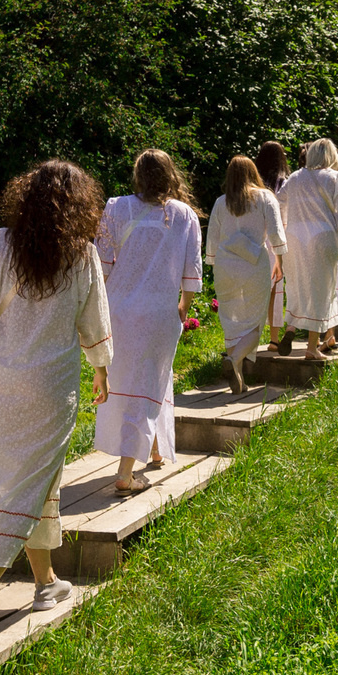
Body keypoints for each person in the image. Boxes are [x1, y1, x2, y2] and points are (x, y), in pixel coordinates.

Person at [0, 161, 112, 644]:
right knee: (34, 477)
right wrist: (102, 366)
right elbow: (94, 319)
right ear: (80, 205)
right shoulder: (81, 255)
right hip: (52, 385)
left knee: (24, 475)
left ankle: (46, 583)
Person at [94, 150, 203, 493]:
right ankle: (126, 472)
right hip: (159, 313)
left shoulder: (116, 207)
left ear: (138, 175)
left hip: (117, 310)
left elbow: (102, 264)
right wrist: (183, 308)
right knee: (148, 381)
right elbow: (192, 273)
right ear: (170, 174)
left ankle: (154, 448)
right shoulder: (183, 214)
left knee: (138, 381)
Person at [205, 156, 286, 390]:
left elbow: (212, 239)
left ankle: (238, 378)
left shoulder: (221, 202)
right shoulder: (264, 198)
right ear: (253, 173)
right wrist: (279, 260)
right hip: (254, 264)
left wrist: (212, 262)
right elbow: (276, 233)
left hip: (225, 265)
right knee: (255, 321)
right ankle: (233, 360)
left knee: (230, 319)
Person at [278, 139, 338, 357]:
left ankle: (290, 328)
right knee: (321, 290)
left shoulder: (295, 177)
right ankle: (311, 348)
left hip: (295, 238)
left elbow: (279, 202)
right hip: (322, 237)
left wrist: (286, 226)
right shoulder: (334, 177)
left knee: (297, 286)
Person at [254, 140, 293, 352]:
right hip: (280, 239)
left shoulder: (254, 183)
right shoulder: (285, 182)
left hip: (257, 238)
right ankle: (274, 338)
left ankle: (250, 335)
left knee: (258, 289)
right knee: (277, 289)